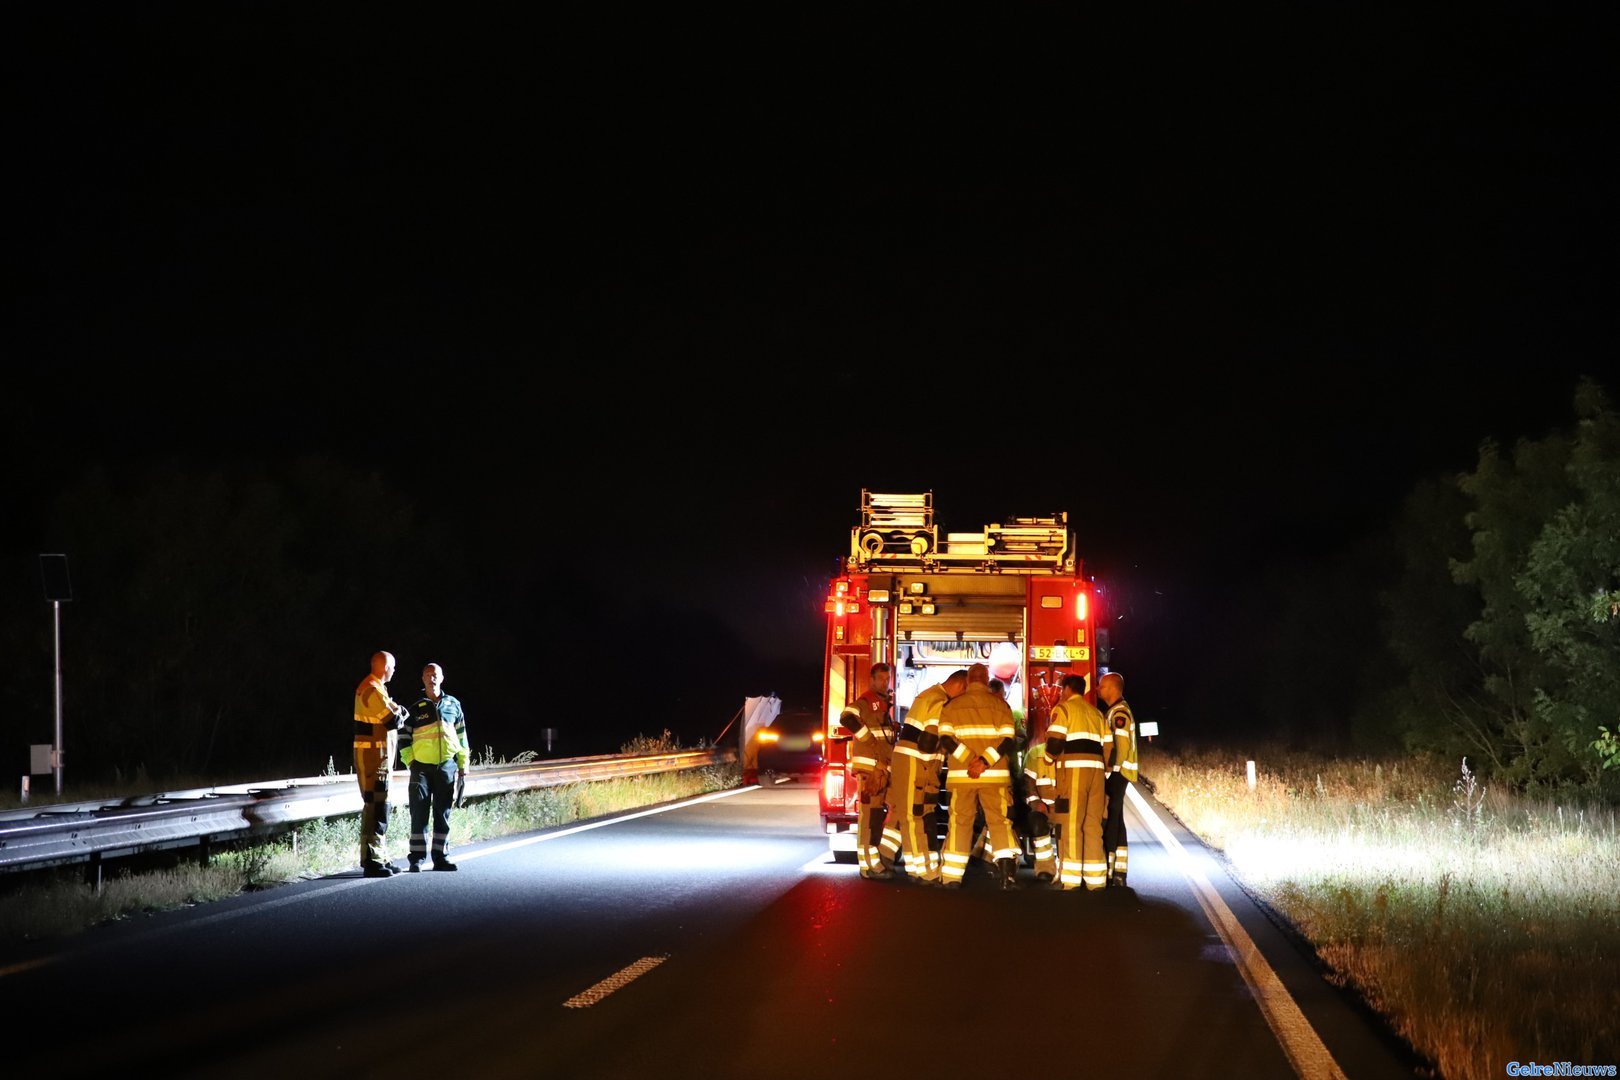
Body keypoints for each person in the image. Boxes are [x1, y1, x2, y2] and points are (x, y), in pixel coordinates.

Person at [936, 663, 1020, 889]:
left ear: (968, 681)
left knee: (960, 823)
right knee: (1000, 823)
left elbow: (945, 740)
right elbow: (1008, 740)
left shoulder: (951, 706)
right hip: (994, 776)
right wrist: (983, 762)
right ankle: (1006, 878)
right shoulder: (1000, 705)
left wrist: (969, 761)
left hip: (963, 776)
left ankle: (952, 878)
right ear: (985, 679)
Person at [882, 668, 966, 885]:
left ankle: (885, 855)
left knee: (904, 811)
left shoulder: (930, 694)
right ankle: (922, 870)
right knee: (914, 815)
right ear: (960, 685)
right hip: (916, 761)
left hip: (909, 759)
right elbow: (928, 742)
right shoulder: (940, 702)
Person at [400, 661, 470, 872]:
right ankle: (417, 859)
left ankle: (441, 857)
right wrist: (411, 762)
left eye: (435, 674)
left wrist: (463, 764)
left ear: (441, 678)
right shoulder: (415, 708)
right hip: (420, 768)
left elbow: (462, 736)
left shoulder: (453, 705)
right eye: (428, 674)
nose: (432, 678)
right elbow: (404, 738)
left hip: (446, 765)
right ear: (422, 679)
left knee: (443, 812)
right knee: (418, 812)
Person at [1043, 673, 1110, 890]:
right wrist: (1104, 771)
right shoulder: (1097, 714)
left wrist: (1046, 759)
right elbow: (1109, 747)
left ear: (1068, 689)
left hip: (1073, 772)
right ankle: (1095, 880)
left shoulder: (1062, 709)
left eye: (1063, 690)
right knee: (1092, 824)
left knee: (1071, 823)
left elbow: (1054, 742)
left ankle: (1071, 880)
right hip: (1097, 773)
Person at [354, 650, 410, 877]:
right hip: (373, 758)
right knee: (377, 808)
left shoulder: (378, 689)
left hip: (379, 758)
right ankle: (372, 861)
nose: (394, 671)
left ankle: (379, 857)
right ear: (385, 667)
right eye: (393, 667)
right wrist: (399, 710)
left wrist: (397, 710)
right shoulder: (372, 690)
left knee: (379, 807)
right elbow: (393, 720)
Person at [839, 662, 896, 880]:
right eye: (881, 679)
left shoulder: (882, 705)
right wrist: (868, 738)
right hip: (870, 772)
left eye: (887, 679)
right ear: (871, 680)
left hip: (882, 771)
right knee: (869, 818)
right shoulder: (865, 702)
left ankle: (879, 858)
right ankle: (868, 866)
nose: (885, 682)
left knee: (882, 814)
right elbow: (846, 717)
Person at [1098, 671, 1139, 887]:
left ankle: (1111, 870)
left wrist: (1109, 769)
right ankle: (1119, 872)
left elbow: (1120, 747)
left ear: (1113, 688)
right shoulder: (1115, 711)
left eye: (1102, 686)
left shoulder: (1118, 713)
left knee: (1111, 820)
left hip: (1117, 773)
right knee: (1117, 819)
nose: (1098, 690)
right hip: (1120, 773)